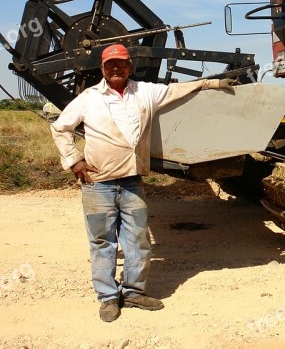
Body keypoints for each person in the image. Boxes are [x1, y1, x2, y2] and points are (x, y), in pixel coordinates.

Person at [50, 43, 236, 322]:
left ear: (129, 67)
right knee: (102, 241)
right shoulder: (89, 98)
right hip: (97, 183)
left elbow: (178, 90)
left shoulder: (146, 92)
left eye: (121, 64)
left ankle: (134, 292)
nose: (116, 68)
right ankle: (108, 298)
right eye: (110, 65)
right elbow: (60, 127)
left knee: (138, 239)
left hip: (131, 181)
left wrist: (212, 82)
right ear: (102, 69)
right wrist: (74, 160)